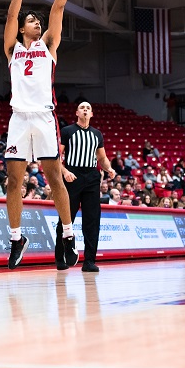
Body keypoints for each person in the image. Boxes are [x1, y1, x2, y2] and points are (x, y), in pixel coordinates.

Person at [2, 0, 90, 270]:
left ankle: (68, 235)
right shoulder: (12, 49)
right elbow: (12, 14)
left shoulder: (49, 45)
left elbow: (58, 9)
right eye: (31, 21)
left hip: (43, 117)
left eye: (37, 21)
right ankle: (16, 238)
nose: (36, 23)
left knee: (54, 177)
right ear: (22, 28)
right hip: (18, 119)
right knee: (14, 181)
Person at [58, 102, 116, 270]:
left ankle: (89, 261)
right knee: (66, 218)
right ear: (76, 112)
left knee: (92, 220)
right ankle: (60, 258)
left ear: (92, 114)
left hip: (91, 176)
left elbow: (102, 158)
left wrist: (109, 168)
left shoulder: (97, 134)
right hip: (73, 175)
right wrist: (64, 171)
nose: (85, 110)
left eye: (88, 108)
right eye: (82, 108)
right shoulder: (67, 131)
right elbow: (56, 156)